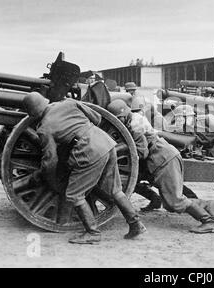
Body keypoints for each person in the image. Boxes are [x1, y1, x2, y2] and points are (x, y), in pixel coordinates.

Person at [22, 92, 147, 244]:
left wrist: (43, 174)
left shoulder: (44, 128)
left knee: (74, 195)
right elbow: (97, 118)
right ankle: (136, 225)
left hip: (89, 151)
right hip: (106, 143)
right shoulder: (69, 103)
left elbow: (51, 159)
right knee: (115, 190)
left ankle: (93, 233)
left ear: (34, 113)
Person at [107, 99, 214, 234]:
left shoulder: (136, 125)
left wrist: (118, 149)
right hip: (158, 159)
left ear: (123, 116)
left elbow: (142, 152)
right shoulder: (131, 120)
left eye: (118, 119)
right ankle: (205, 204)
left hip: (164, 159)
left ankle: (208, 222)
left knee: (174, 202)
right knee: (170, 204)